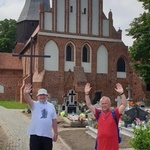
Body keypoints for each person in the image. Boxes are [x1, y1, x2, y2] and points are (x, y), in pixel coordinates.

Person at [84, 83, 127, 150]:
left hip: (112, 145)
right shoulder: (98, 113)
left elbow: (124, 105)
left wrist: (122, 93)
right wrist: (86, 94)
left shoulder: (114, 113)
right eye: (102, 104)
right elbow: (89, 105)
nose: (104, 105)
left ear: (109, 104)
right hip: (101, 144)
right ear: (100, 104)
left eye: (106, 103)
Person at [23, 83, 58, 150]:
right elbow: (28, 100)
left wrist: (56, 133)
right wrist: (26, 94)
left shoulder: (51, 106)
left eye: (43, 95)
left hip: (47, 135)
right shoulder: (34, 105)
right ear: (37, 96)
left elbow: (54, 120)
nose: (42, 97)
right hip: (35, 135)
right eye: (40, 95)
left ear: (46, 96)